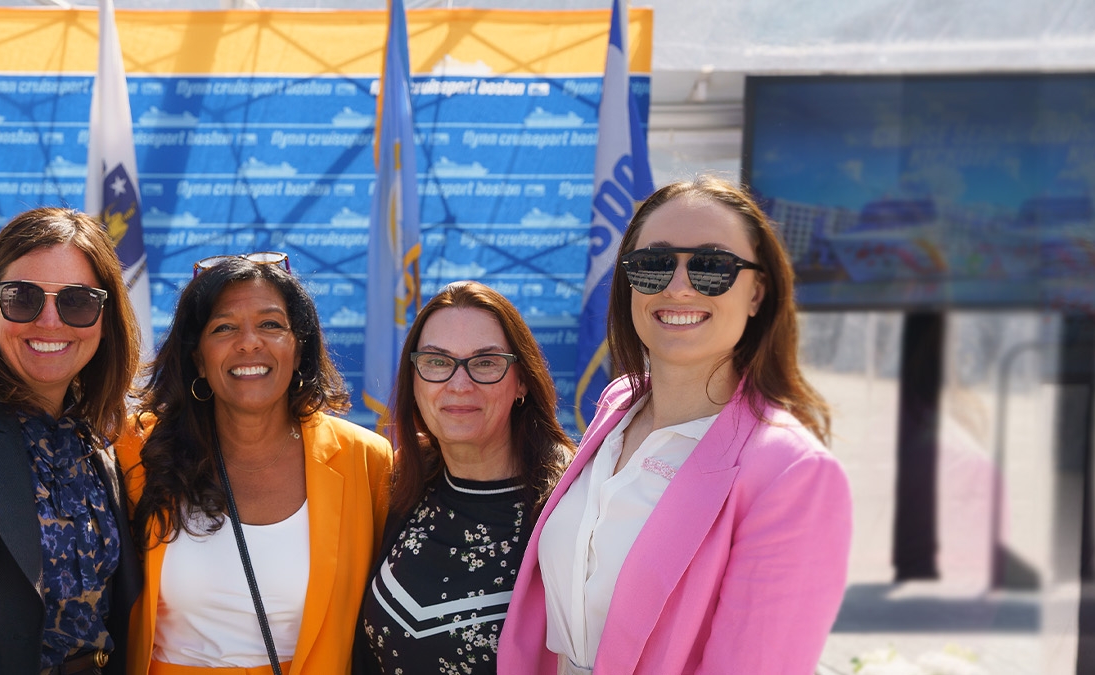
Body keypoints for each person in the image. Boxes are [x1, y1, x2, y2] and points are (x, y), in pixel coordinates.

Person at [497, 176, 852, 674]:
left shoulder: (792, 473)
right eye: (653, 264)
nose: (678, 286)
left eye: (711, 266)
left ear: (757, 292)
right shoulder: (619, 403)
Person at [117, 253, 392, 675]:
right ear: (198, 359)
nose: (249, 342)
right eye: (224, 327)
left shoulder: (366, 460)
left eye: (271, 325)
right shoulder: (138, 450)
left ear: (299, 349)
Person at [0, 207, 143, 675]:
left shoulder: (102, 438)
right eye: (23, 298)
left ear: (105, 317)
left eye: (77, 301)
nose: (50, 322)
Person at [353, 281, 574, 674]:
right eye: (437, 362)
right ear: (414, 379)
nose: (459, 384)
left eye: (485, 362)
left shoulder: (570, 505)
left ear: (522, 380)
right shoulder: (406, 476)